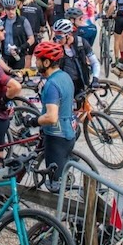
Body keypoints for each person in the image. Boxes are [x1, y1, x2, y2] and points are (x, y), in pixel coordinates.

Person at [23, 41, 77, 191]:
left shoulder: (52, 84)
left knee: (55, 184)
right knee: (61, 171)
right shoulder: (65, 77)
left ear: (46, 62)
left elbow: (51, 117)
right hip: (68, 132)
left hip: (56, 137)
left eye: (38, 59)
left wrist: (33, 121)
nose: (35, 62)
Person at [0, 0, 35, 70]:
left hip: (19, 56)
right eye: (8, 9)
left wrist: (21, 48)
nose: (11, 12)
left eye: (13, 9)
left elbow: (31, 39)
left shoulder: (23, 21)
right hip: (5, 56)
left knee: (18, 78)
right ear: (4, 9)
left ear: (16, 8)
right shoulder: (2, 21)